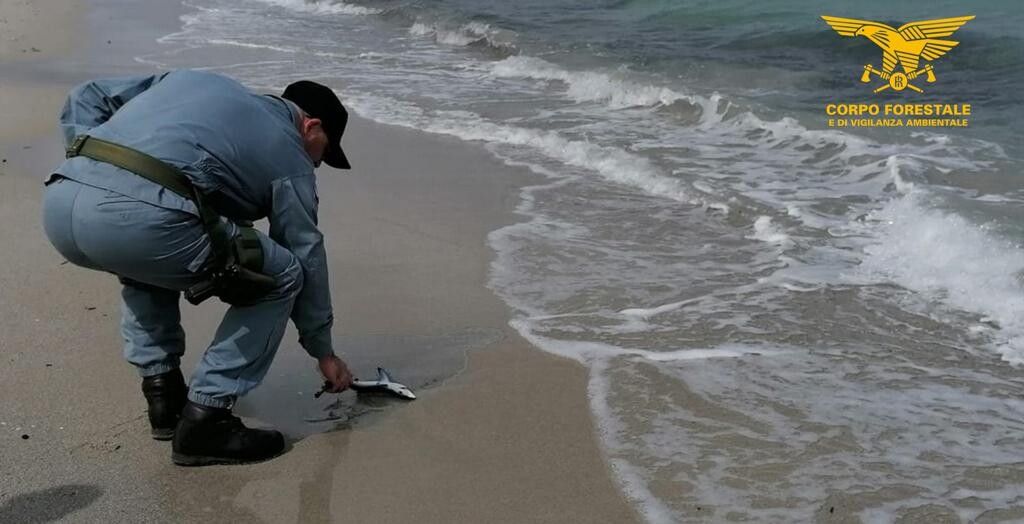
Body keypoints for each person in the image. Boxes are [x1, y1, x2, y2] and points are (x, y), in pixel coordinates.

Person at [41, 70, 354, 466]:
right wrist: (322, 349)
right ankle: (206, 417)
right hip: (135, 222)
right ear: (311, 125)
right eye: (323, 152)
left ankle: (164, 396)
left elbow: (86, 94)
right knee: (284, 274)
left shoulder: (195, 82)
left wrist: (92, 167)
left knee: (154, 248)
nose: (317, 164)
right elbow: (304, 250)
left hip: (60, 201)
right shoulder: (290, 152)